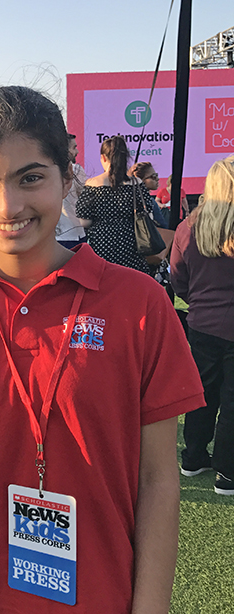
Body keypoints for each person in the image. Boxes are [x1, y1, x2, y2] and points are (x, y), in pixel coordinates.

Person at [0, 86, 204, 613]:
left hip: (106, 597)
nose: (8, 206)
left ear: (68, 178)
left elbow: (158, 479)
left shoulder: (140, 304)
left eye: (30, 177)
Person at [170, 155, 234, 495]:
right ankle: (228, 473)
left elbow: (178, 279)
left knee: (202, 395)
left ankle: (193, 458)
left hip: (202, 324)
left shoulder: (189, 226)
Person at [76, 136, 154, 274]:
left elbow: (84, 221)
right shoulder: (137, 184)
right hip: (133, 246)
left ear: (103, 158)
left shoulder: (92, 184)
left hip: (102, 246)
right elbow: (150, 216)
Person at [55, 134, 87, 248]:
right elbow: (86, 199)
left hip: (53, 236)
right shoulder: (76, 170)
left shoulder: (46, 171)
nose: (77, 151)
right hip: (74, 233)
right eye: (73, 147)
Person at [129, 161, 168, 228]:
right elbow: (162, 226)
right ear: (140, 180)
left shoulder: (127, 199)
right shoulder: (150, 201)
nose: (157, 179)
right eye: (153, 176)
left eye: (156, 175)